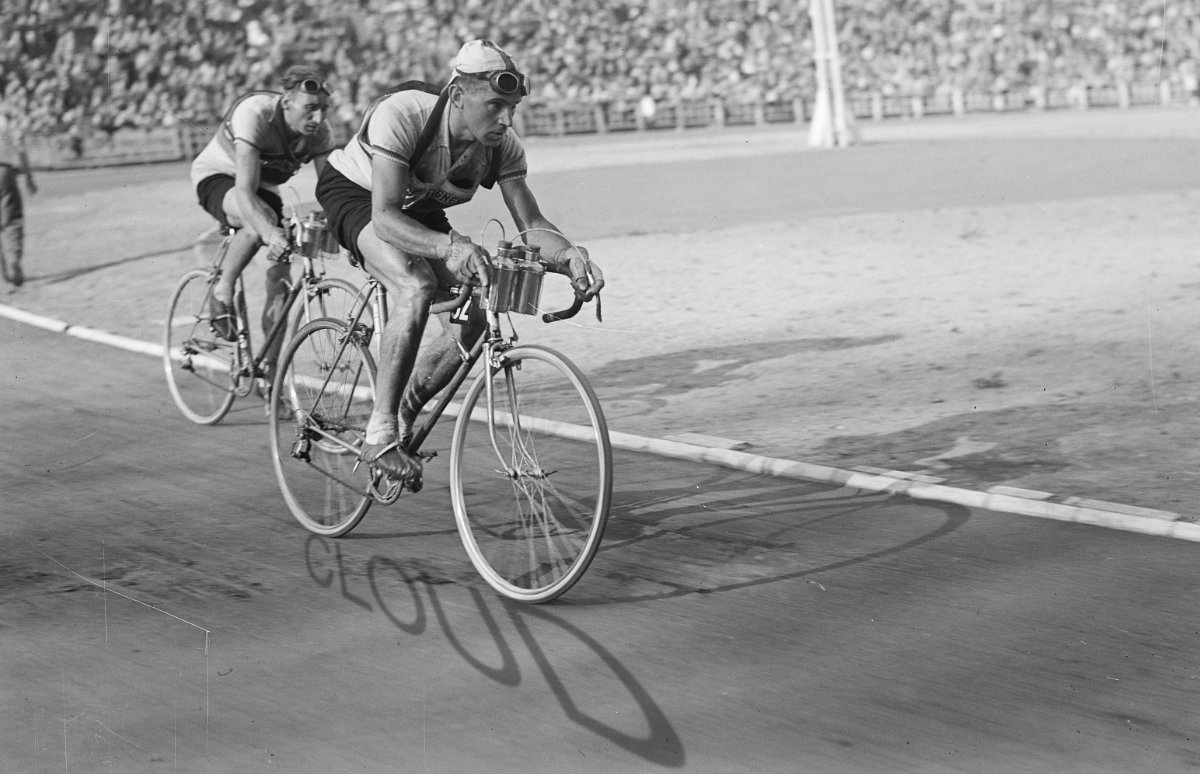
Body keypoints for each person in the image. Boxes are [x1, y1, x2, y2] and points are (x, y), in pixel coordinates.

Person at [316, 39, 604, 489]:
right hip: (360, 195)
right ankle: (379, 432)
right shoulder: (404, 113)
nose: (506, 120)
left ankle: (408, 410)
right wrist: (449, 248)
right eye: (495, 105)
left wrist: (568, 254)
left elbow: (530, 222)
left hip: (420, 205)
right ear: (457, 96)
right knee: (415, 284)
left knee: (486, 295)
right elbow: (386, 216)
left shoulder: (501, 145)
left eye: (512, 108)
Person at [189, 64, 336, 376]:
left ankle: (269, 372)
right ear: (286, 103)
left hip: (263, 188)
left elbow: (331, 190)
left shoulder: (321, 133)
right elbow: (244, 192)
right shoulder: (255, 113)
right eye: (310, 109)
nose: (319, 119)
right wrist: (270, 233)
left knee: (280, 282)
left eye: (324, 109)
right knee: (261, 222)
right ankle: (222, 289)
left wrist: (337, 220)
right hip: (220, 176)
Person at [0, 105, 37, 288]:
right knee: (12, 219)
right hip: (4, 170)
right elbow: (20, 148)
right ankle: (14, 259)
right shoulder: (6, 117)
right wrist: (28, 176)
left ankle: (4, 271)